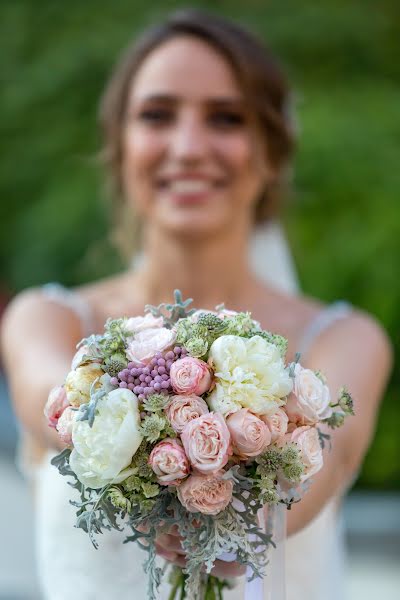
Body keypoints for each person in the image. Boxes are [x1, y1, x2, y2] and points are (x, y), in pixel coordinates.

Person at [0, 9, 392, 600]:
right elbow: (58, 410)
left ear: (271, 149)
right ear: (120, 142)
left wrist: (239, 527)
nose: (187, 147)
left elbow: (324, 464)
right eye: (157, 115)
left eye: (226, 118)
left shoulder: (345, 340)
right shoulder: (47, 322)